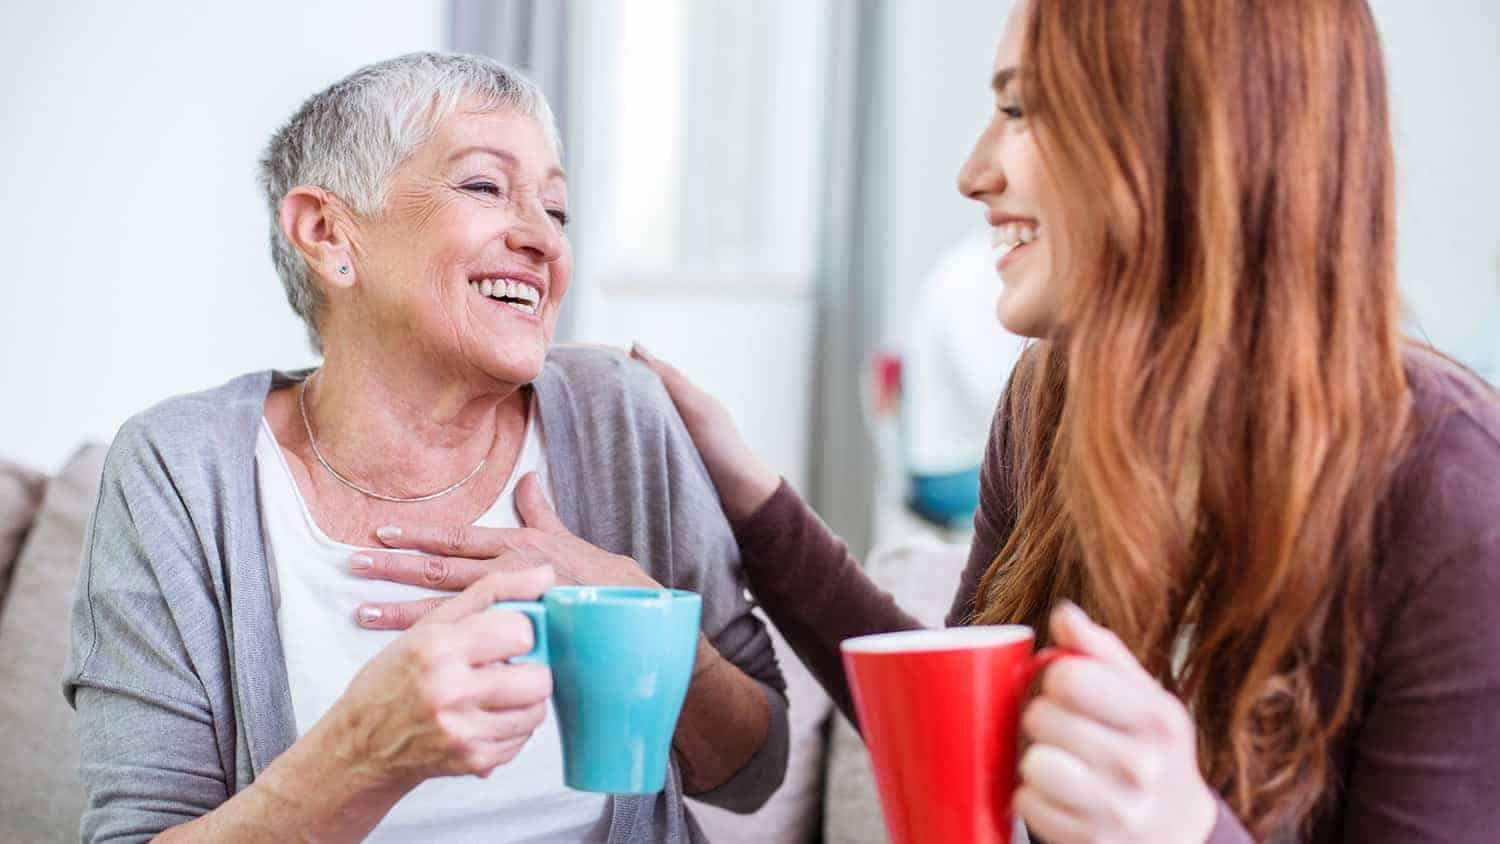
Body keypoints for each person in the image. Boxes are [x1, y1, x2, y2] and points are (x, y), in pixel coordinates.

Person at [631, 1, 1500, 841]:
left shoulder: (1450, 490)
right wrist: (753, 498)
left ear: (1188, 136)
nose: (973, 173)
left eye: (1021, 110)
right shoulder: (1049, 405)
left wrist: (1186, 832)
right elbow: (952, 717)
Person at [63, 53, 786, 843]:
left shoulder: (618, 414)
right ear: (327, 232)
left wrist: (638, 610)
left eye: (556, 209)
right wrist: (361, 756)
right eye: (484, 186)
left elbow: (752, 773)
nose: (543, 240)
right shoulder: (181, 468)